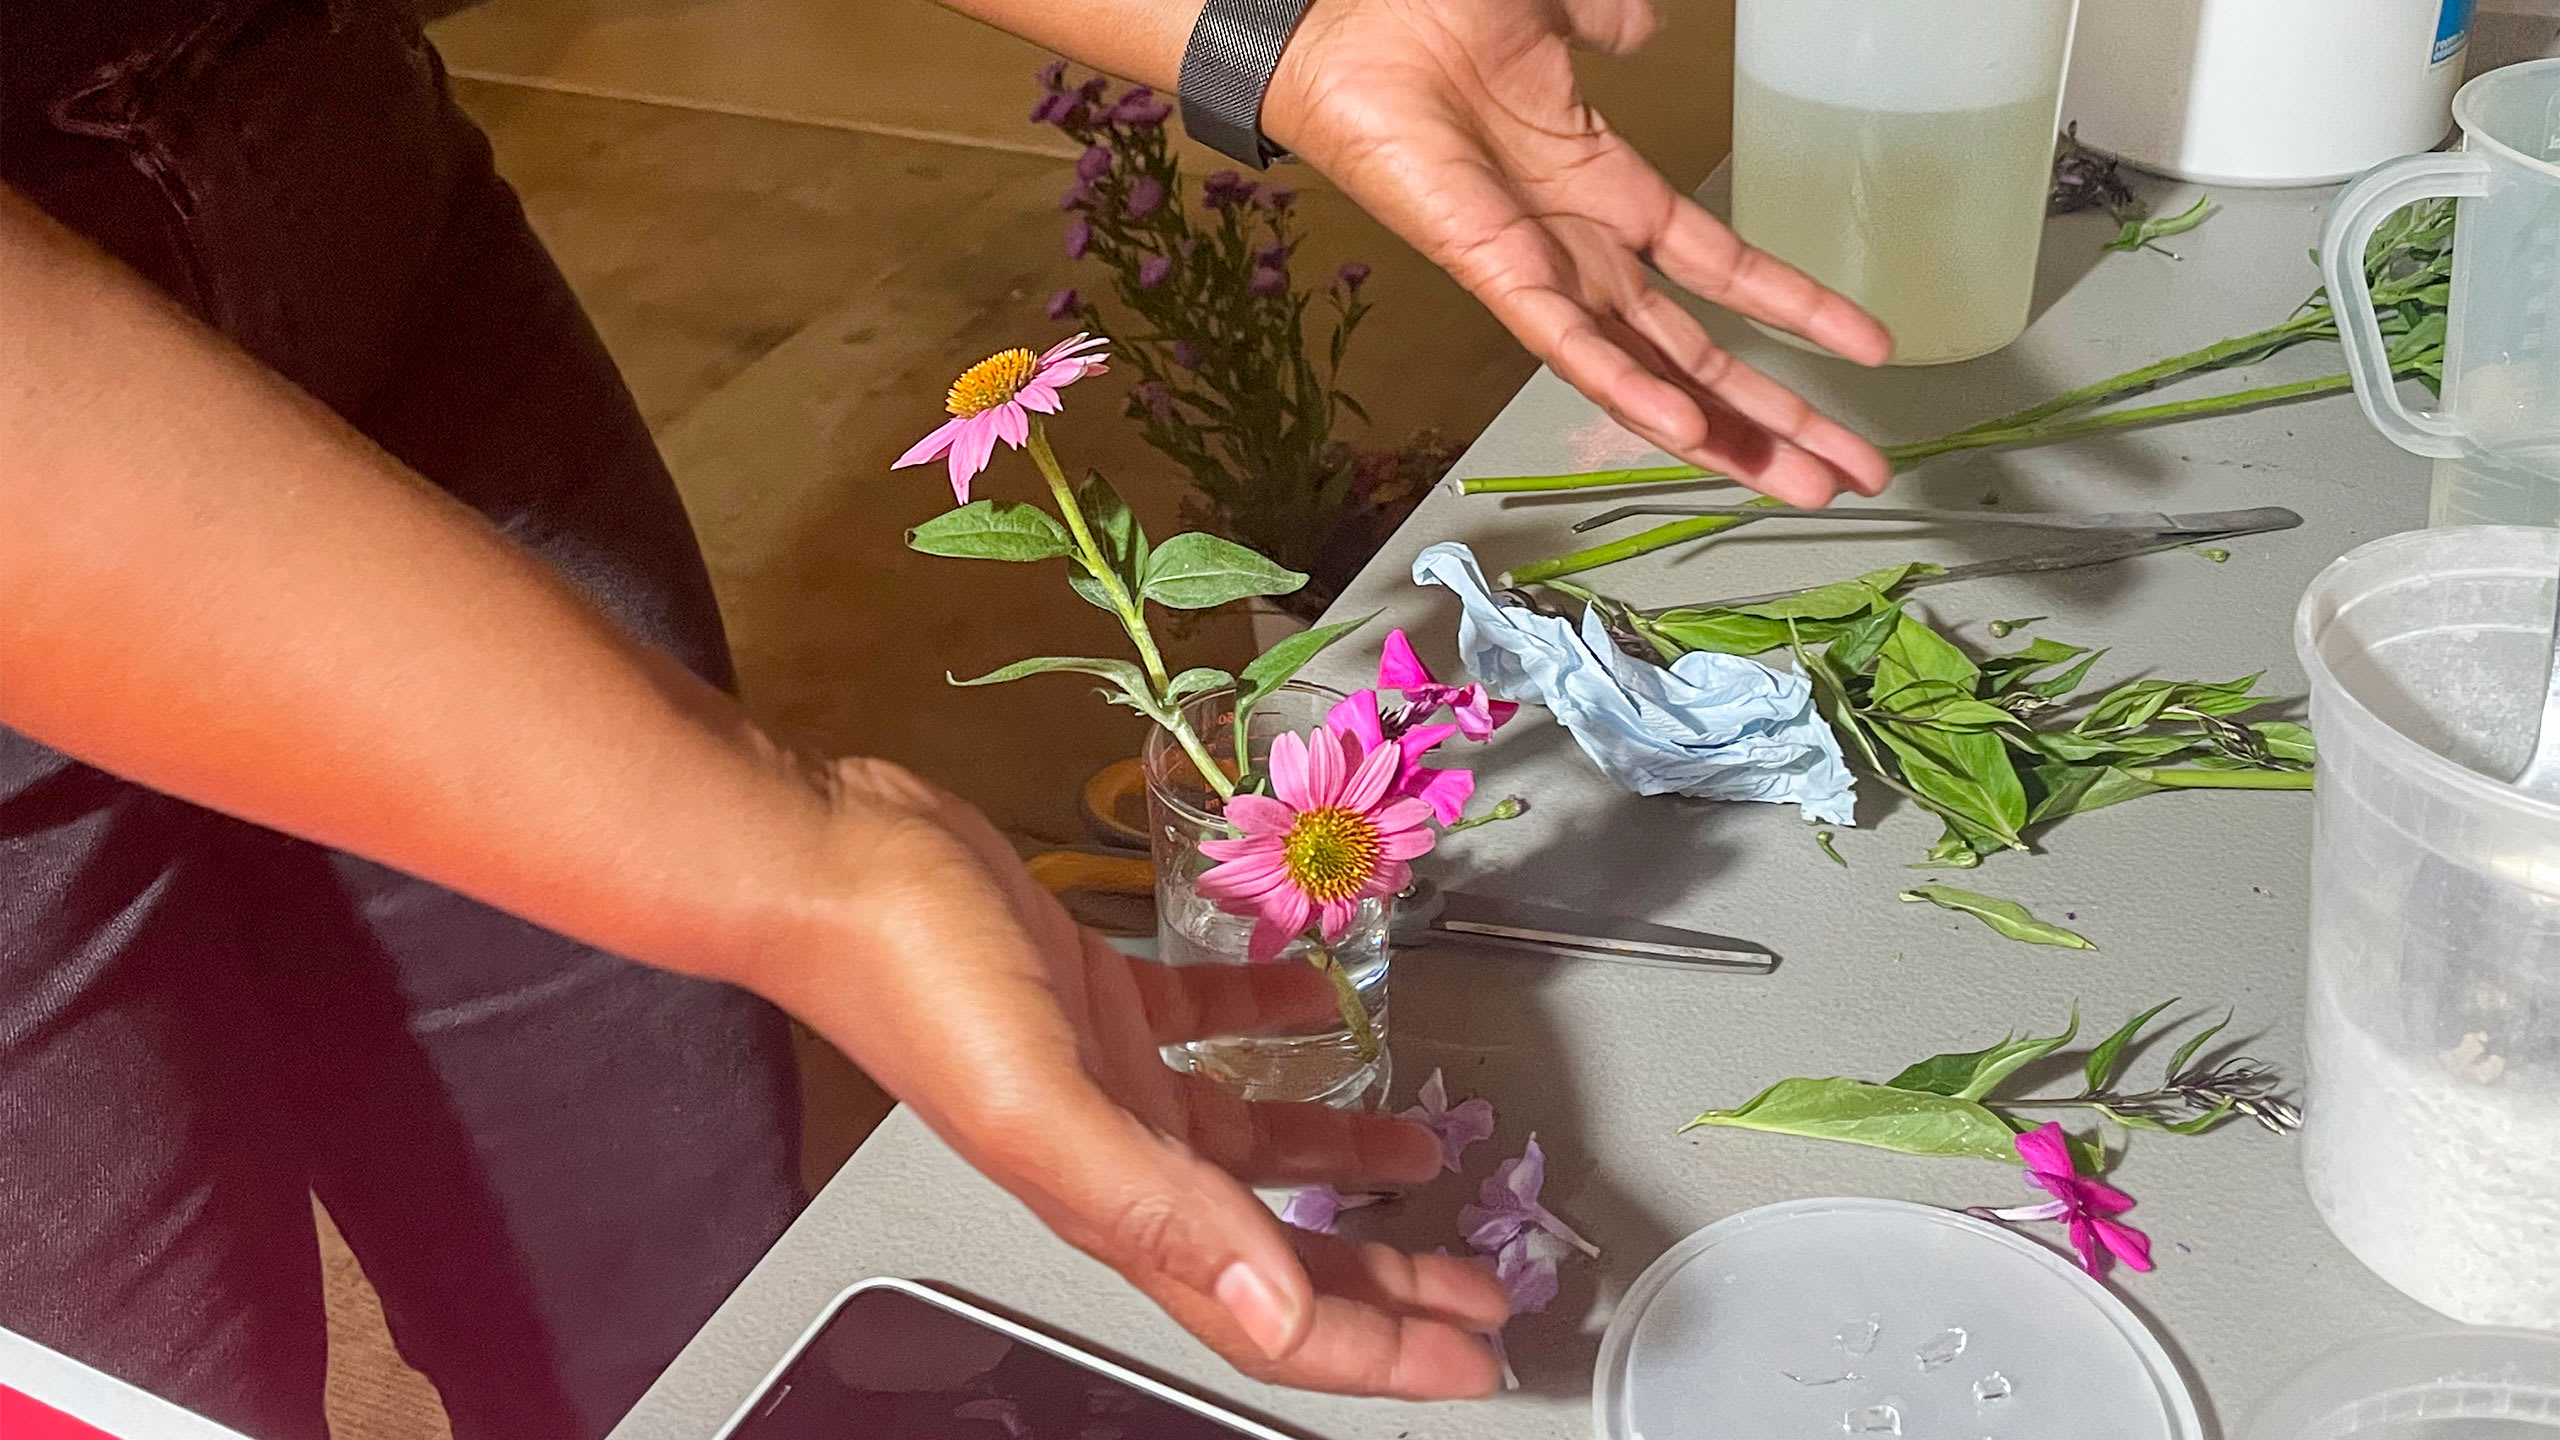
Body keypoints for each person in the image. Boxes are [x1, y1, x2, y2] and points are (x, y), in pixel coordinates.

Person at [0, 0, 1891, 1434]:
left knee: (694, 1287)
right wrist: (801, 862)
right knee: (154, 1361)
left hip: (344, 177)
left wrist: (1260, 25)